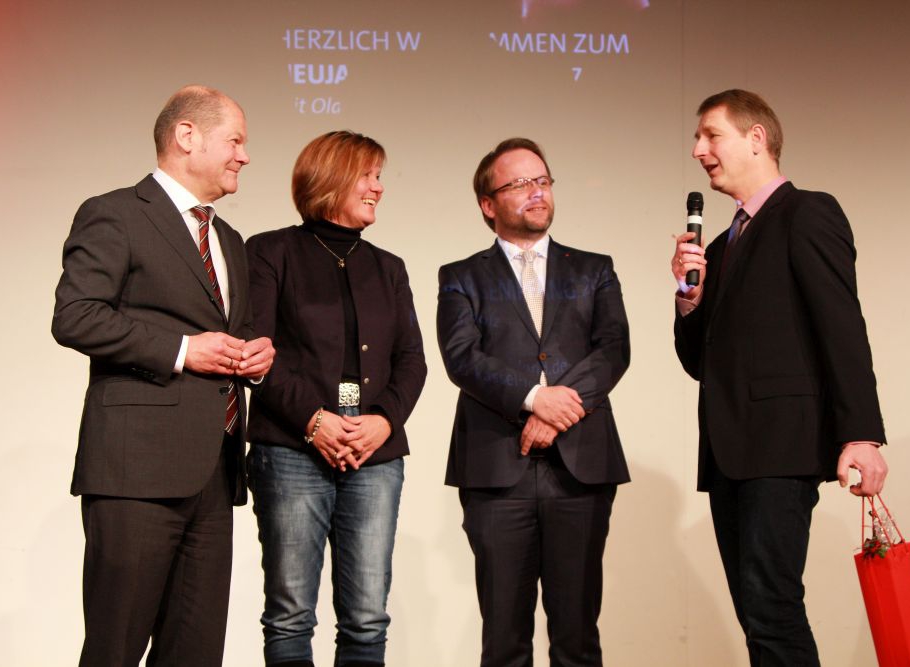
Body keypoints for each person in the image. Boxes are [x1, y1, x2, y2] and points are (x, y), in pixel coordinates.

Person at [51, 84, 275, 666]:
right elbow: (75, 316)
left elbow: (234, 330)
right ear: (186, 136)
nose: (245, 155)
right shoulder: (117, 213)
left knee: (195, 652)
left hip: (216, 473)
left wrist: (253, 356)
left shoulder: (228, 239)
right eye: (235, 141)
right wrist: (181, 351)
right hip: (137, 472)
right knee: (116, 647)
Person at [671, 89, 889, 666]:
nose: (698, 150)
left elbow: (841, 325)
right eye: (697, 138)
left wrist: (861, 434)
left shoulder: (807, 212)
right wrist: (689, 299)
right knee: (756, 613)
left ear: (756, 138)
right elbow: (700, 363)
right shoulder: (722, 245)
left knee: (772, 608)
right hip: (727, 453)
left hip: (781, 446)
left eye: (711, 135)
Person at [437, 137, 631, 667]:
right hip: (498, 470)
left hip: (580, 468)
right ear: (488, 203)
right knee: (504, 639)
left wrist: (556, 413)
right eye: (520, 184)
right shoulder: (461, 276)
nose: (537, 192)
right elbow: (462, 357)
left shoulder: (593, 269)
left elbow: (613, 349)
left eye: (542, 180)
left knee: (577, 637)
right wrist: (533, 399)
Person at [245, 130, 427, 667]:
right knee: (290, 616)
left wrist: (383, 421)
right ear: (331, 179)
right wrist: (313, 420)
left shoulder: (389, 267)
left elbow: (411, 360)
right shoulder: (270, 252)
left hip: (375, 457)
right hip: (290, 453)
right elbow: (257, 353)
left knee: (367, 620)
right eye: (368, 176)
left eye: (379, 177)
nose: (378, 188)